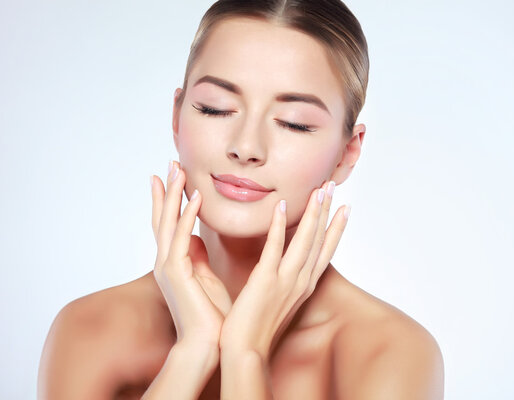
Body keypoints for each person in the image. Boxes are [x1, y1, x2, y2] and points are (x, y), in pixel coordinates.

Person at [38, 0, 444, 398]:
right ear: (177, 118)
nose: (246, 146)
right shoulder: (88, 330)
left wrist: (245, 355)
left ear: (347, 153)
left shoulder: (392, 352)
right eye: (215, 109)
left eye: (294, 124)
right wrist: (193, 352)